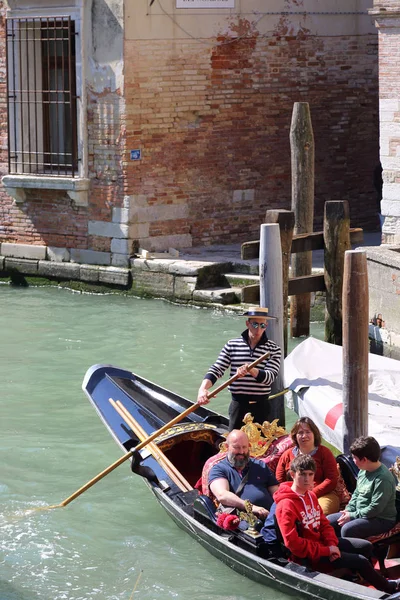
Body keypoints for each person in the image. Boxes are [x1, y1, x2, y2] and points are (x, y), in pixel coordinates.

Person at [274, 454, 400, 594]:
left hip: (323, 545)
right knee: (361, 561)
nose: (307, 479)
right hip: (309, 555)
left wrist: (332, 544)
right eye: (302, 474)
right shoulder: (286, 506)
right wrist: (327, 551)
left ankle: (355, 577)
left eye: (310, 474)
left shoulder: (310, 495)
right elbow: (293, 544)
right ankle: (389, 588)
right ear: (292, 474)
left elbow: (323, 524)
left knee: (366, 546)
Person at [197, 306, 281, 431]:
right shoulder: (232, 345)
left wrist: (251, 370)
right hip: (238, 405)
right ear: (247, 323)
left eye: (262, 325)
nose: (258, 329)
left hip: (261, 407)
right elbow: (217, 369)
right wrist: (203, 389)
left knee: (262, 446)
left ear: (266, 326)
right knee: (234, 445)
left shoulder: (274, 349)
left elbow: (269, 377)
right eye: (255, 324)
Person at [327, 436, 397, 539]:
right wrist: (349, 509)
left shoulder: (382, 479)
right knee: (328, 522)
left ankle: (349, 552)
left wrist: (352, 516)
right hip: (360, 512)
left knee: (348, 529)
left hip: (380, 519)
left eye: (354, 458)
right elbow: (357, 493)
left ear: (364, 459)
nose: (353, 460)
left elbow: (375, 508)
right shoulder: (363, 470)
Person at [208, 429, 279, 520]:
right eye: (236, 447)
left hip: (270, 517)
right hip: (242, 521)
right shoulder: (218, 469)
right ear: (227, 446)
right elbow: (222, 495)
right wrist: (251, 507)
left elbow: (276, 493)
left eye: (244, 447)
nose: (241, 452)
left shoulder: (260, 465)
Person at [275, 416, 339, 515]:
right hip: (293, 496)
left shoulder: (324, 453)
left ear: (314, 434)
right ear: (295, 436)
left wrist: (311, 493)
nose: (304, 436)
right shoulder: (287, 455)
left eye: (308, 432)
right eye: (300, 433)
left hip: (322, 495)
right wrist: (294, 494)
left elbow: (331, 479)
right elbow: (279, 481)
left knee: (318, 513)